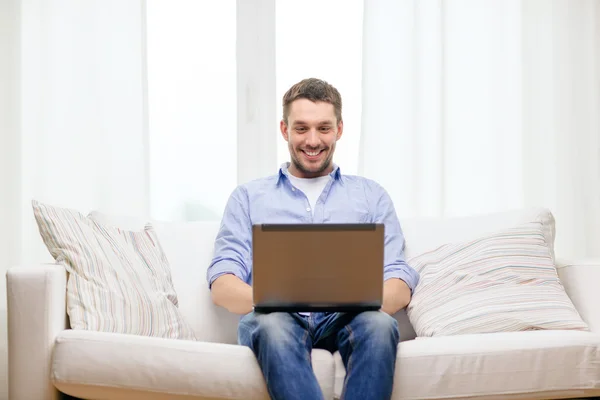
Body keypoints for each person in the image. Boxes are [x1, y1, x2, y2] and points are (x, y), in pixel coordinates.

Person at [206, 78, 420, 400]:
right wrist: (276, 297)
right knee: (272, 326)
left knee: (379, 326)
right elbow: (222, 283)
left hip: (348, 317)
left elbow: (399, 281)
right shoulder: (248, 197)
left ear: (340, 129)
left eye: (324, 128)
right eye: (301, 128)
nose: (313, 140)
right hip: (276, 318)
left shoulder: (370, 196)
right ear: (284, 129)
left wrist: (355, 297)